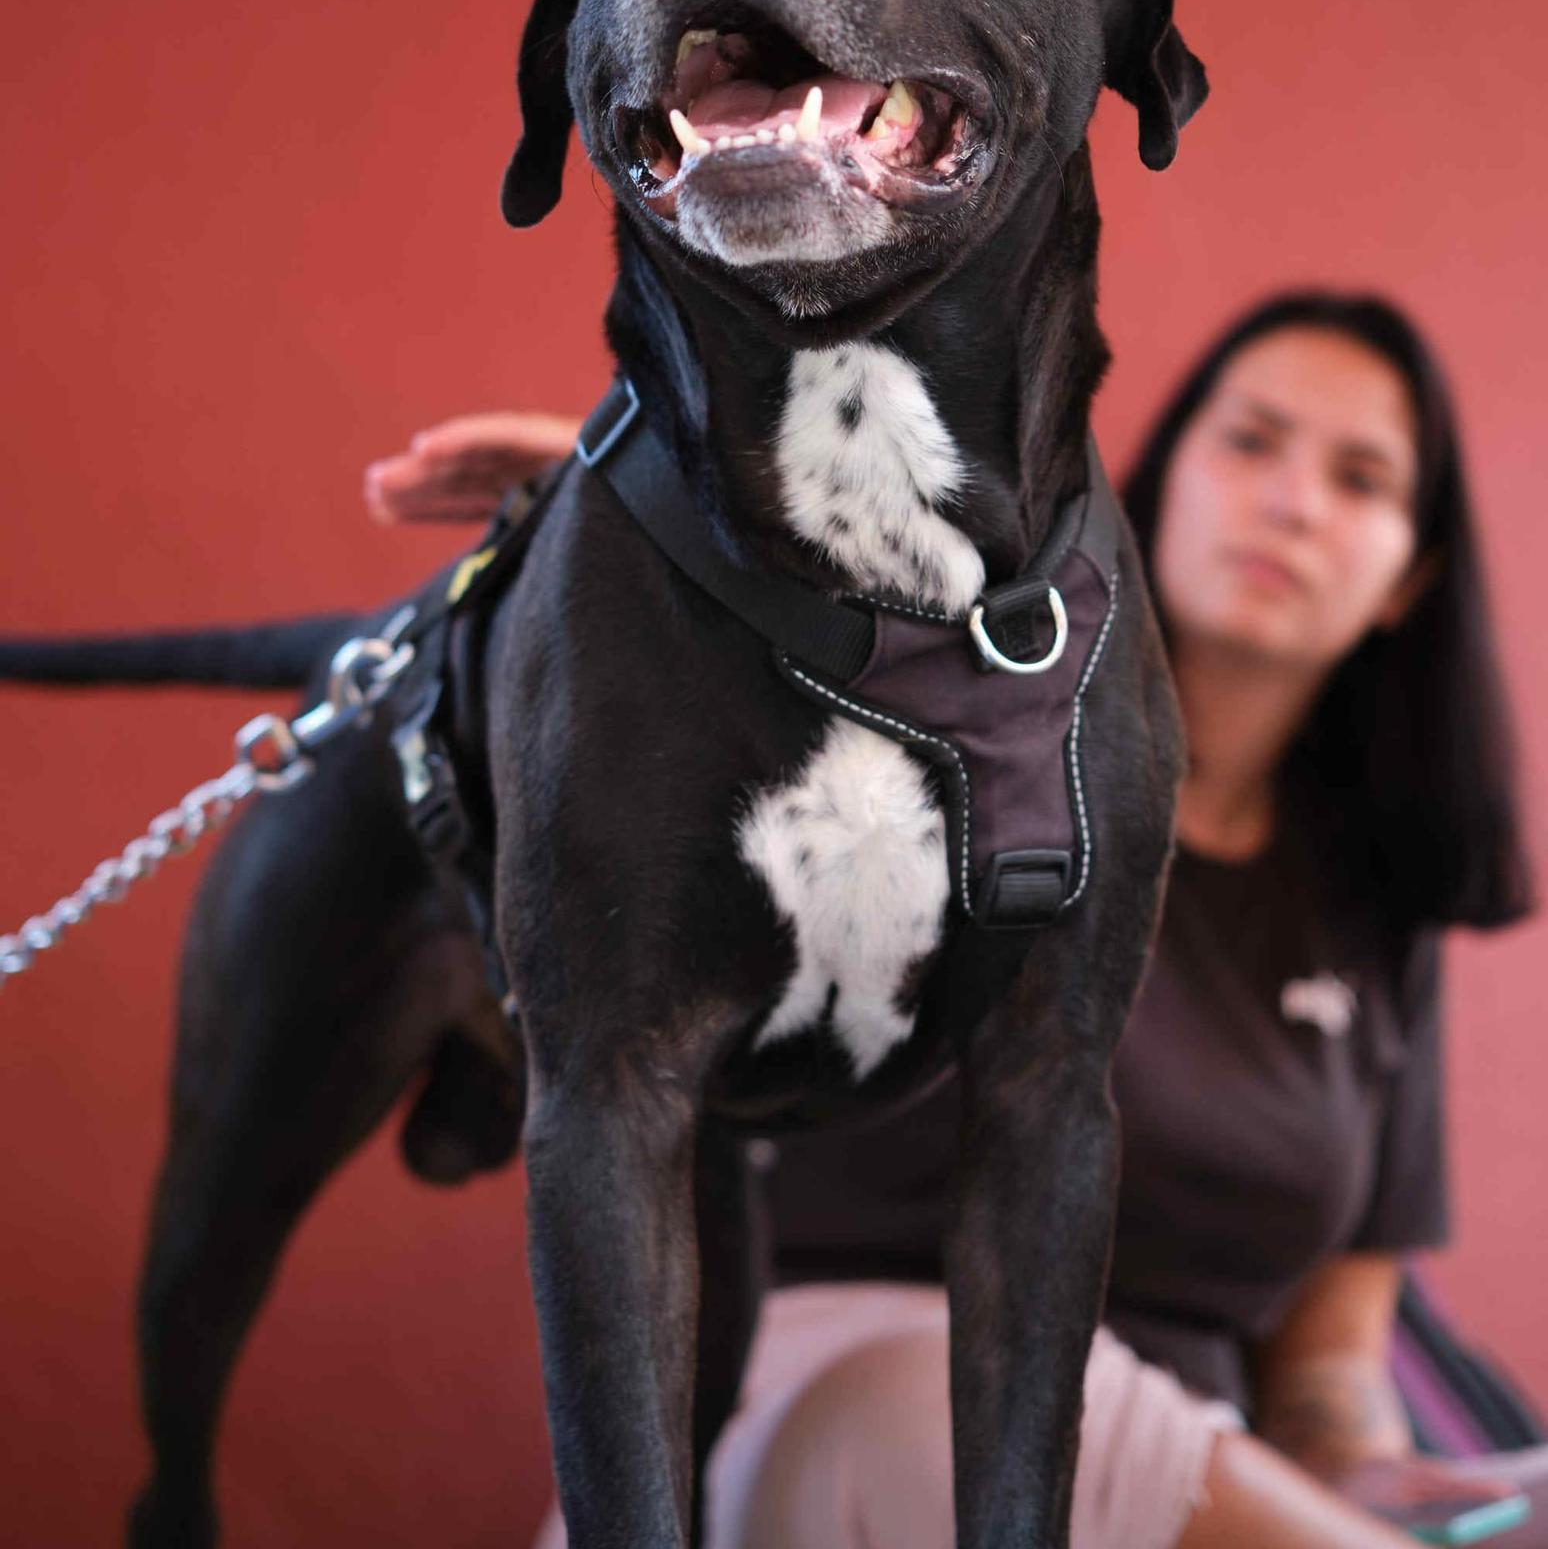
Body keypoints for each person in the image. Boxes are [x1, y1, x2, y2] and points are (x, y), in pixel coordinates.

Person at [365, 291, 1541, 1548]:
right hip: (829, 1391)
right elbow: (781, 628)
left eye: (1361, 478)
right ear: (1157, 478)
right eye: (1251, 441)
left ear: (1411, 575)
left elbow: (1330, 1361)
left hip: (1204, 1481)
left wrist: (1384, 1476)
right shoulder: (924, 729)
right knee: (930, 1406)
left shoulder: (1370, 911)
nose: (1293, 502)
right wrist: (650, 511)